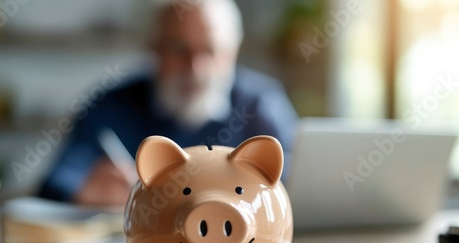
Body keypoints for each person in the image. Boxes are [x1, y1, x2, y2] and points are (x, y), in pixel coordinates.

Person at [39, 0, 298, 206]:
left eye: (210, 50)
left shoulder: (260, 105)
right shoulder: (112, 105)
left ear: (232, 52)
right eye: (178, 48)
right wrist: (85, 189)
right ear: (154, 48)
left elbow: (298, 185)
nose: (195, 67)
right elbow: (57, 181)